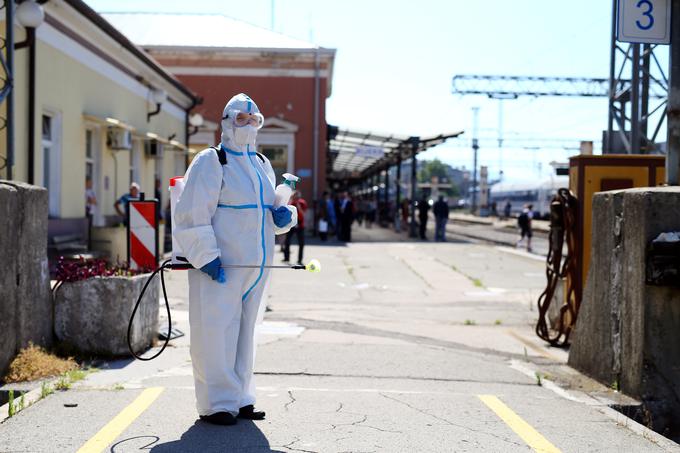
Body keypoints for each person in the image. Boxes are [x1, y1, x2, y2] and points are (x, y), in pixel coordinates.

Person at [173, 93, 297, 427]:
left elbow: (266, 215)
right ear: (226, 123)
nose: (247, 125)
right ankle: (217, 403)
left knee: (245, 334)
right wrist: (206, 256)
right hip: (220, 268)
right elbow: (192, 214)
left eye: (253, 120)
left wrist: (284, 218)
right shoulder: (211, 161)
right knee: (215, 332)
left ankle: (241, 397)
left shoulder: (261, 164)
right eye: (240, 119)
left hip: (255, 270)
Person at [283, 191, 307, 264]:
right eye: (294, 196)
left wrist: (298, 205)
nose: (296, 198)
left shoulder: (302, 203)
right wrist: (291, 201)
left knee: (301, 243)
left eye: (297, 196)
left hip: (300, 225)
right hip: (291, 224)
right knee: (287, 241)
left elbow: (303, 214)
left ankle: (300, 260)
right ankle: (286, 258)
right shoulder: (290, 203)